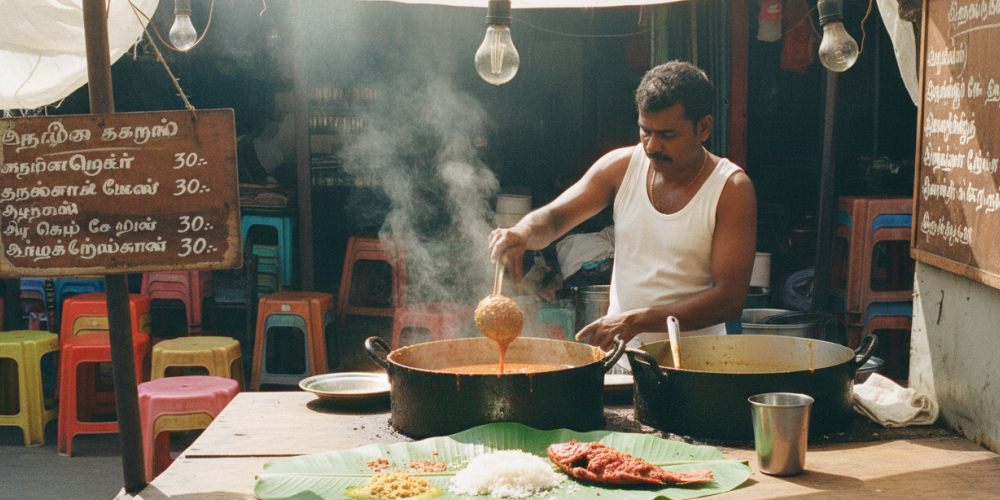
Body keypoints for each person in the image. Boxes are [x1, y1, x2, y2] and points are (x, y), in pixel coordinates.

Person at [488, 61, 757, 351]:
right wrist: (522, 232)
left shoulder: (731, 189)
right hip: (623, 360)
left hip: (699, 367)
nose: (652, 146)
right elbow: (555, 219)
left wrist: (635, 321)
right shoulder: (620, 167)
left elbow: (728, 301)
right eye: (645, 131)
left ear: (703, 128)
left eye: (667, 135)